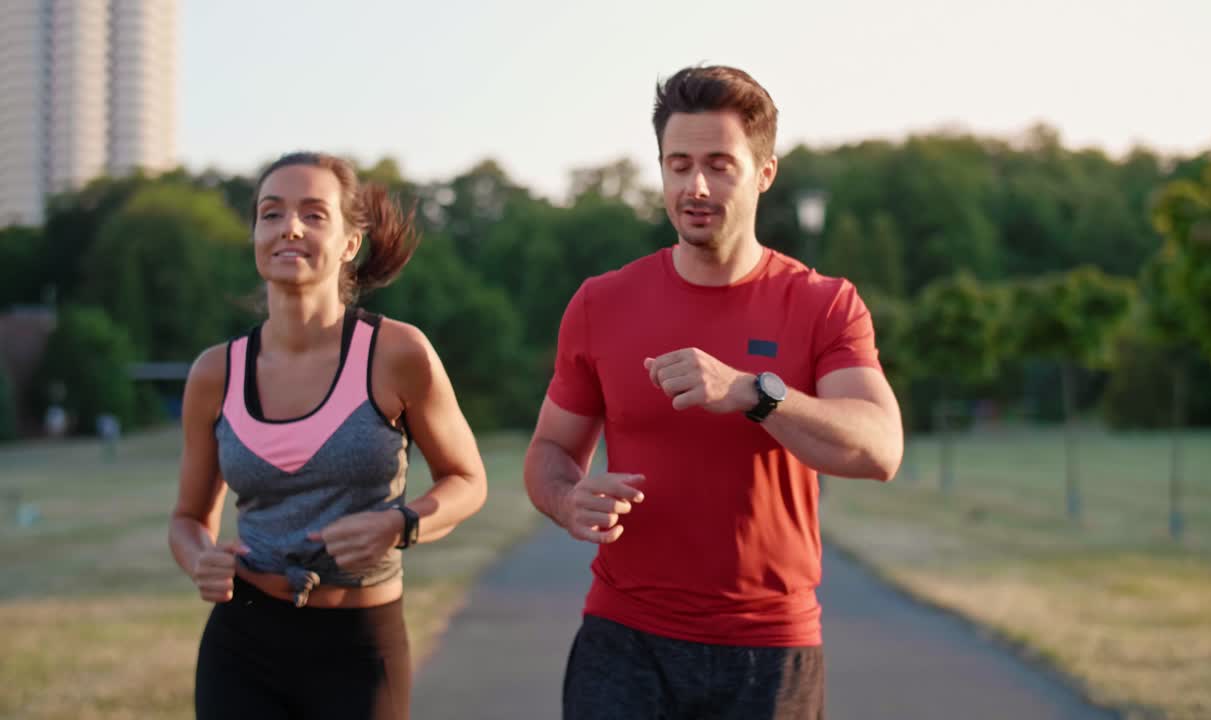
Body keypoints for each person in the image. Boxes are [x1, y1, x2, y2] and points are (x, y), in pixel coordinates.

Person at [524, 66, 904, 719]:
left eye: (720, 164)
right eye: (679, 165)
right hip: (624, 639)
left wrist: (756, 393)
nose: (695, 186)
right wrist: (567, 499)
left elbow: (879, 449)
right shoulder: (601, 303)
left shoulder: (823, 304)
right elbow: (550, 453)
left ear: (764, 173)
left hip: (769, 649)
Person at [169, 152, 487, 720]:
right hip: (243, 642)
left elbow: (468, 480)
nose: (289, 227)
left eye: (314, 214)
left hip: (360, 644)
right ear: (256, 235)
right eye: (271, 214)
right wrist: (199, 561)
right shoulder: (216, 373)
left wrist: (401, 524)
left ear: (348, 242)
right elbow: (188, 518)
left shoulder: (397, 354)